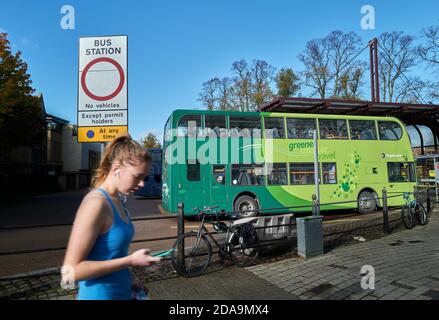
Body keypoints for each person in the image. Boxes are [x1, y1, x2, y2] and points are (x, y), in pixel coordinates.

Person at [61, 133, 161, 300]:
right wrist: (130, 261)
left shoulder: (118, 200)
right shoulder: (96, 203)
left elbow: (113, 255)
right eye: (137, 177)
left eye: (144, 178)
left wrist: (131, 281)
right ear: (116, 169)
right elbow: (70, 273)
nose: (142, 184)